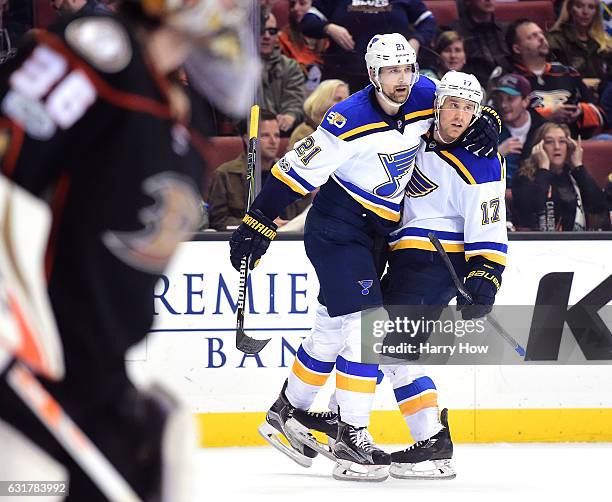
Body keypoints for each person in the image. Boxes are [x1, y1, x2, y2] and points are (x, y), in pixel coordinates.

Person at [0, 1, 258, 500]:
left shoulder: (175, 116)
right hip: (33, 364)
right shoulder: (96, 56)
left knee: (165, 451)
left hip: (100, 375)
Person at [230, 33, 501, 482]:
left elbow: (460, 102)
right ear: (372, 74)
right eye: (390, 71)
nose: (401, 80)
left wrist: (483, 116)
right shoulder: (345, 119)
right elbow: (295, 170)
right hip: (338, 227)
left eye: (407, 70)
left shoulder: (424, 95)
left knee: (332, 326)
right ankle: (351, 435)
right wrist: (258, 219)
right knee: (367, 324)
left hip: (376, 233)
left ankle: (286, 411)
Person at [381, 71, 507, 479]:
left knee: (390, 349)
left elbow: (489, 224)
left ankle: (432, 443)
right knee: (387, 350)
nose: (460, 115)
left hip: (437, 260)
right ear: (437, 105)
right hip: (405, 255)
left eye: (470, 109)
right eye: (453, 104)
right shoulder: (418, 132)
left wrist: (484, 278)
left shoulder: (482, 157)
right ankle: (431, 442)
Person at [299, 0, 437, 92]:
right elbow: (307, 22)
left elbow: (428, 21)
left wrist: (417, 40)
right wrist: (328, 27)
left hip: (391, 75)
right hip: (344, 74)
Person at [208, 111, 311, 230]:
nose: (273, 141)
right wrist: (258, 224)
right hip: (243, 241)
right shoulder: (225, 174)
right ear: (248, 139)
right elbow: (218, 221)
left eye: (277, 135)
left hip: (287, 239)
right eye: (265, 135)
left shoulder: (292, 172)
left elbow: (305, 215)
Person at [504, 18, 607, 138]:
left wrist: (580, 111)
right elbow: (506, 121)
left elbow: (601, 113)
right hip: (531, 147)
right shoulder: (509, 80)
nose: (542, 38)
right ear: (517, 48)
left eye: (541, 33)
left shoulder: (568, 73)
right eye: (532, 36)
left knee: (605, 139)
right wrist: (547, 117)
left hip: (571, 142)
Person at [512, 123, 608, 230]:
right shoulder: (524, 177)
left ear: (569, 146)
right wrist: (544, 168)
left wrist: (578, 167)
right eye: (549, 142)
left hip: (577, 242)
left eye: (562, 141)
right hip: (537, 243)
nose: (557, 147)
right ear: (538, 147)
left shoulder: (575, 176)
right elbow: (530, 211)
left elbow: (600, 208)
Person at [492, 73, 546, 186]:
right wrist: (498, 154)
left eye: (510, 99)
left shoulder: (543, 128)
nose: (503, 105)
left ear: (525, 101)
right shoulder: (490, 127)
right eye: (500, 99)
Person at [260, 12, 306, 135]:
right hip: (245, 131)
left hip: (279, 132)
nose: (266, 36)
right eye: (261, 30)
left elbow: (295, 101)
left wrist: (290, 115)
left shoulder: (290, 67)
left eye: (272, 31)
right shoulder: (237, 66)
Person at [547, 0, 612, 86]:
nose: (585, 12)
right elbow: (551, 78)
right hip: (571, 94)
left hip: (603, 94)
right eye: (579, 6)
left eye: (591, 7)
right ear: (569, 8)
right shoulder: (555, 40)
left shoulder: (604, 41)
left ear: (596, 12)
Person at [448, 0, 509, 85]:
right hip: (470, 87)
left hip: (509, 86)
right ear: (468, 1)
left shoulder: (505, 30)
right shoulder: (454, 31)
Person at [278, 0, 328, 93]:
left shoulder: (328, 39)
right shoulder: (282, 39)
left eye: (302, 3)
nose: (296, 8)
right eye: (292, 4)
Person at [287, 78, 349, 149]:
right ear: (322, 101)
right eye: (338, 99)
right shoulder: (304, 132)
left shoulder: (344, 129)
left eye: (347, 99)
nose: (344, 104)